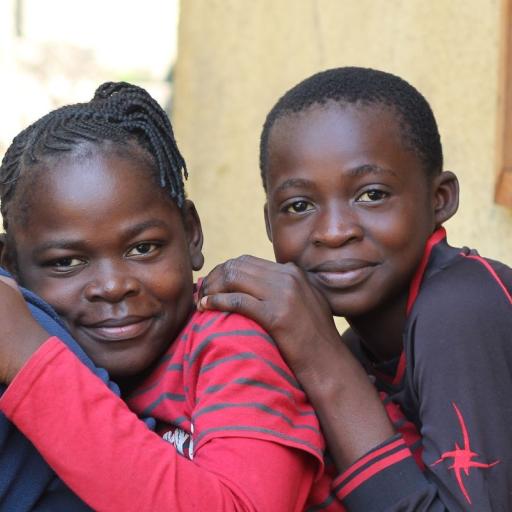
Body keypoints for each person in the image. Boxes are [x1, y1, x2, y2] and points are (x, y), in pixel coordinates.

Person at [0, 82, 331, 511]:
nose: (114, 285)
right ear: (11, 265)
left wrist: (30, 360)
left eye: (143, 248)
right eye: (66, 262)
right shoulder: (74, 350)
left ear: (191, 235)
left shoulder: (230, 344)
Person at [197, 67, 512, 511]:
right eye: (299, 205)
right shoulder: (362, 344)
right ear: (270, 224)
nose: (334, 231)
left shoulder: (461, 307)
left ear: (439, 199)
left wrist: (322, 359)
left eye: (372, 195)